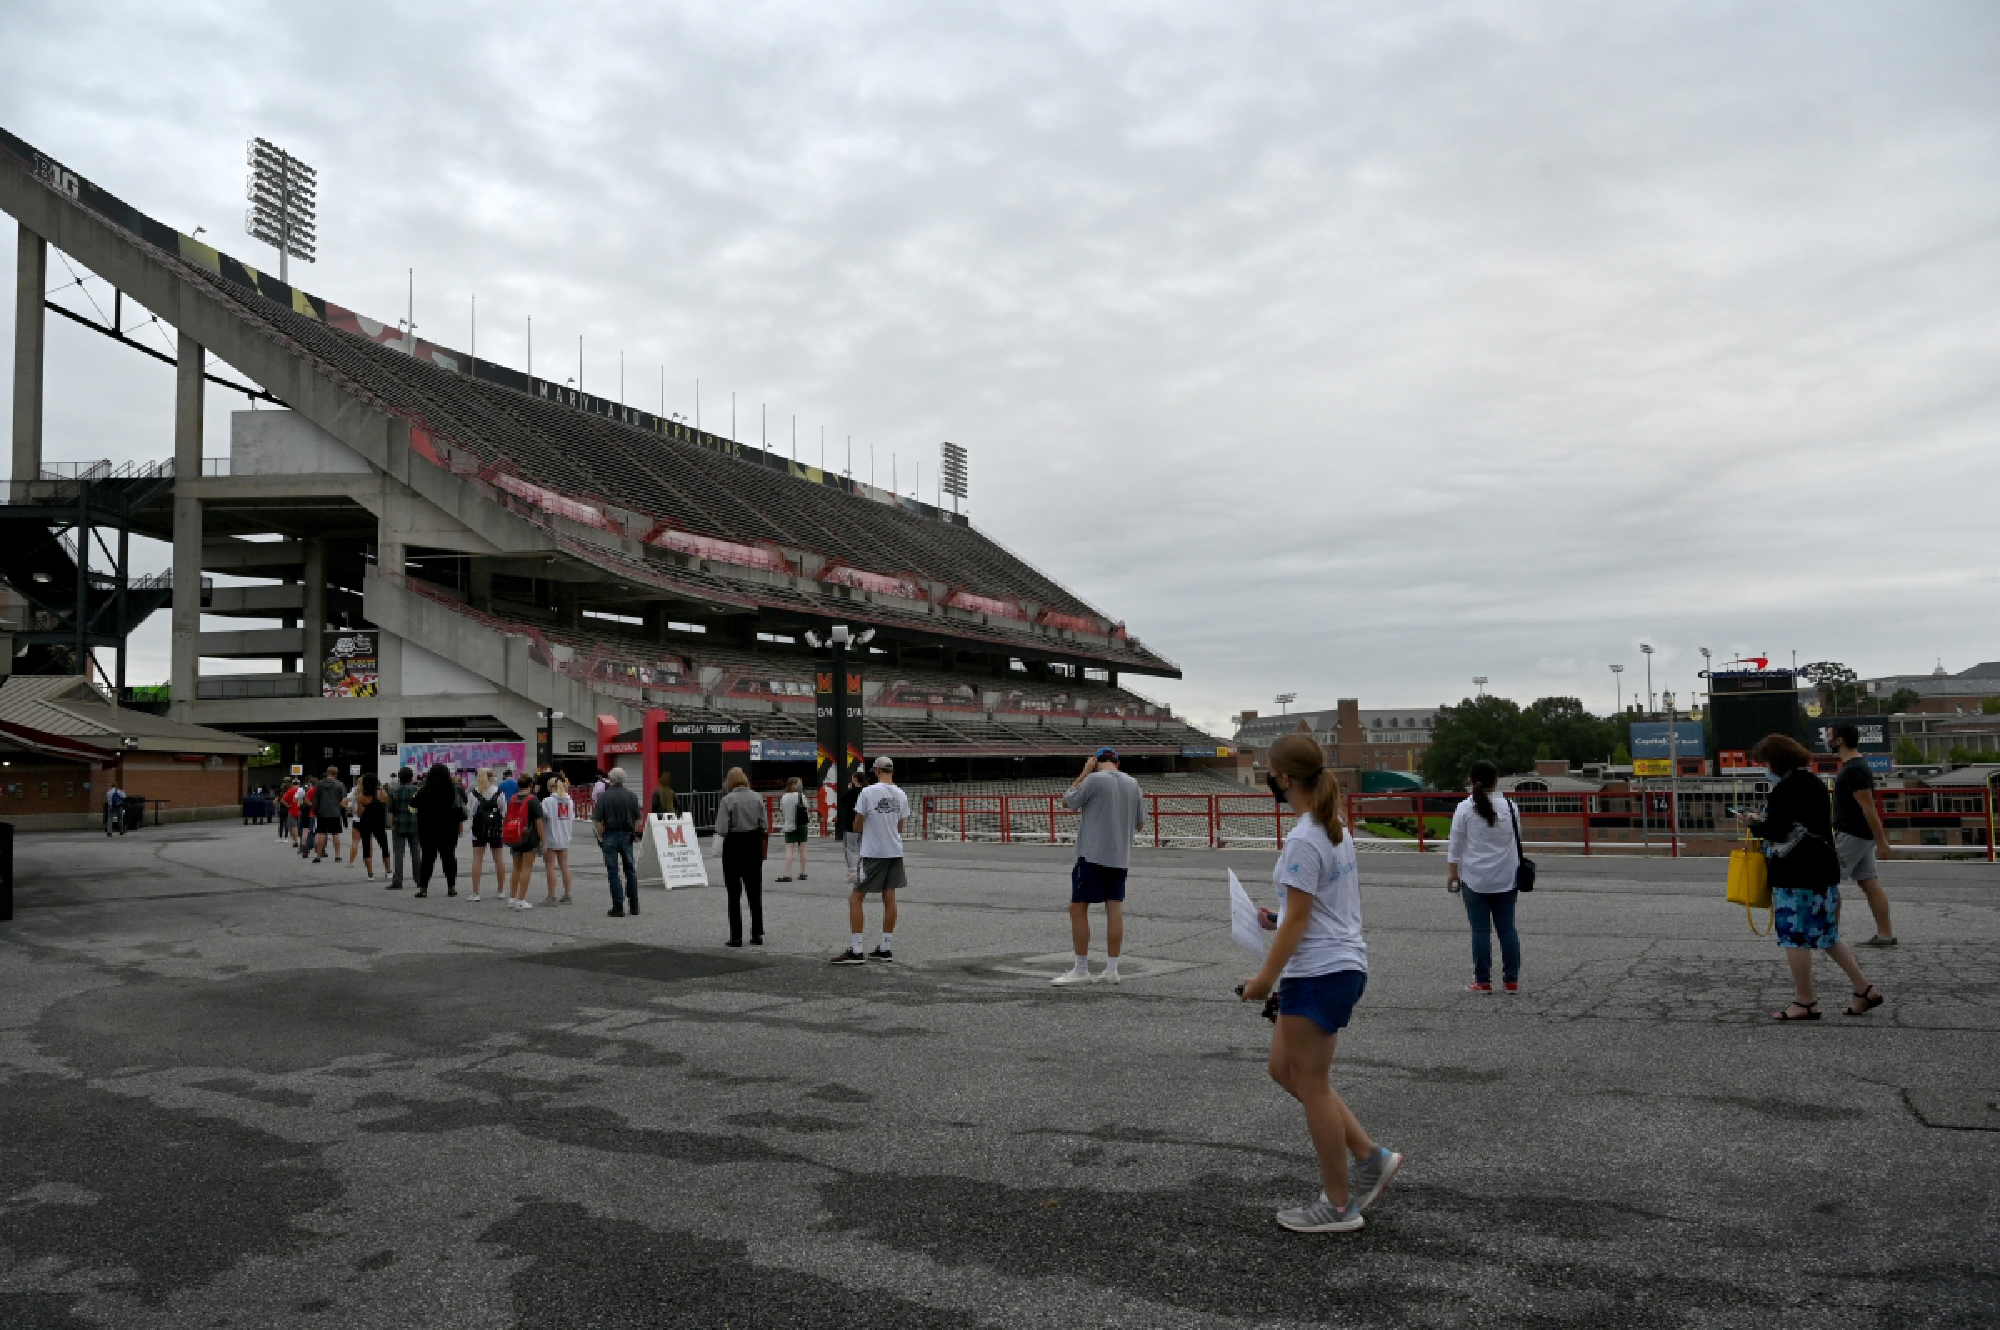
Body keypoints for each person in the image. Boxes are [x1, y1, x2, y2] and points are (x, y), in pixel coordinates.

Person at [1239, 732, 1402, 1234]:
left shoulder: (1304, 838)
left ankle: (1337, 1206)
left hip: (1321, 968)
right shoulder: (1331, 829)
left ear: (1285, 778)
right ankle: (1370, 1157)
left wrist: (1264, 978)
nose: (1270, 777)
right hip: (1333, 963)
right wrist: (1273, 915)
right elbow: (1303, 910)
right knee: (1283, 1069)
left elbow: (1301, 921)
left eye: (1271, 770)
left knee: (1312, 1084)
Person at [1739, 734, 1884, 1021]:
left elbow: (1778, 830)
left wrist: (1753, 824)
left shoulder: (1785, 789)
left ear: (1776, 762)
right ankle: (1863, 988)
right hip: (1822, 867)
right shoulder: (1814, 783)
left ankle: (1805, 1001)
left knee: (1794, 937)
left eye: (1765, 763)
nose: (1763, 768)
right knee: (1827, 933)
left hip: (1796, 871)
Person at [1053, 747, 1148, 986]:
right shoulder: (1133, 783)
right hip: (1120, 857)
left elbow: (1067, 801)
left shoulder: (1094, 779)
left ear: (1096, 762)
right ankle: (1112, 968)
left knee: (1077, 908)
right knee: (1114, 907)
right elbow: (1140, 824)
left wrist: (1084, 773)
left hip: (1093, 855)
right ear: (1118, 763)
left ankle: (1081, 967)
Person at [1445, 760, 1523, 993]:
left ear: (1471, 780)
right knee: (1507, 929)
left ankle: (1482, 980)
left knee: (1480, 931)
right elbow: (1517, 838)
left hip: (1475, 877)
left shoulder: (1465, 808)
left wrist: (1452, 874)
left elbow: (1456, 844)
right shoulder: (1510, 806)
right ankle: (1511, 980)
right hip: (1506, 877)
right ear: (1496, 780)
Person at [831, 757, 909, 964]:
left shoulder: (868, 792)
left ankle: (856, 949)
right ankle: (886, 946)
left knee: (856, 897)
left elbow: (857, 825)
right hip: (894, 850)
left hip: (873, 851)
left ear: (876, 771)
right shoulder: (901, 794)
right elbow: (900, 827)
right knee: (889, 897)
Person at [1830, 724, 1896, 946]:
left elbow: (1868, 807)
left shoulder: (1854, 769)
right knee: (1869, 882)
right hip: (1861, 835)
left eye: (1829, 736)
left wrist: (1882, 842)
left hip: (1852, 834)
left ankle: (1830, 936)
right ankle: (1885, 935)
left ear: (1839, 740)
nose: (1826, 740)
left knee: (1826, 879)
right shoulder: (1854, 766)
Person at [716, 767, 769, 946]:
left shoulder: (727, 800)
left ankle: (736, 936)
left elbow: (721, 829)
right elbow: (764, 824)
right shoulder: (757, 797)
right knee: (754, 890)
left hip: (733, 846)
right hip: (753, 844)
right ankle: (757, 934)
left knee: (733, 892)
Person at [592, 767, 642, 917]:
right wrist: (633, 831)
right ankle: (634, 905)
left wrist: (602, 835)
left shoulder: (604, 797)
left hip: (610, 835)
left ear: (611, 779)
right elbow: (638, 819)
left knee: (613, 872)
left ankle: (618, 905)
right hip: (627, 835)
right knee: (630, 870)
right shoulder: (632, 796)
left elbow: (598, 821)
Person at [412, 763, 466, 898]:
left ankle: (423, 889)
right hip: (449, 829)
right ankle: (451, 887)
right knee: (448, 857)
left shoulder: (423, 790)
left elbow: (412, 807)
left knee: (427, 858)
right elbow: (462, 810)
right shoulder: (454, 790)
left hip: (427, 830)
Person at [505, 773, 547, 910]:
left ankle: (511, 897)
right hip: (530, 837)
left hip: (515, 835)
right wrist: (543, 841)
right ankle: (521, 899)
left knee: (516, 868)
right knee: (526, 868)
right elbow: (539, 823)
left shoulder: (513, 799)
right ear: (530, 785)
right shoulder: (533, 800)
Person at [466, 769, 505, 901]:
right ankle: (500, 891)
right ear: (491, 777)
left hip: (478, 830)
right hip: (496, 829)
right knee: (499, 858)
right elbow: (503, 810)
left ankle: (476, 893)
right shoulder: (499, 792)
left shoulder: (474, 793)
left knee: (477, 859)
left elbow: (470, 812)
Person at [541, 774, 576, 905]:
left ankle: (551, 896)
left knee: (550, 866)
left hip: (551, 836)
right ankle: (567, 894)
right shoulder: (569, 801)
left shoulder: (547, 801)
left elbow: (542, 816)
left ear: (551, 787)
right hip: (565, 836)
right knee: (564, 866)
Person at [385, 767, 420, 891]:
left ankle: (398, 880)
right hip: (415, 824)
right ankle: (419, 879)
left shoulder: (394, 791)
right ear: (411, 777)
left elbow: (390, 809)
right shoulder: (417, 790)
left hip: (399, 824)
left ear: (399, 777)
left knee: (398, 853)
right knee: (416, 853)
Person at [837, 764, 868, 885]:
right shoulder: (867, 791)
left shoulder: (853, 792)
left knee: (849, 849)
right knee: (863, 848)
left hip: (851, 823)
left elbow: (844, 803)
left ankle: (852, 872)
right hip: (864, 824)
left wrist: (850, 789)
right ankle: (863, 872)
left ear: (855, 779)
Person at [355, 772, 390, 879]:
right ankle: (388, 871)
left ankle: (370, 873)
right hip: (379, 822)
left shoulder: (361, 797)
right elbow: (386, 805)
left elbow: (359, 813)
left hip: (365, 822)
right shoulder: (382, 795)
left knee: (366, 846)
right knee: (384, 846)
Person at [777, 776, 812, 882]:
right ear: (793, 784)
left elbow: (782, 811)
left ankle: (787, 874)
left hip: (789, 825)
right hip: (801, 825)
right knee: (803, 850)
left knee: (789, 850)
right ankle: (803, 872)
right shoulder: (801, 796)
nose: (800, 785)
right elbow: (806, 809)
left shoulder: (784, 797)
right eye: (799, 783)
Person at [311, 766, 348, 863]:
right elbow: (343, 799)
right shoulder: (340, 785)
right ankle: (338, 856)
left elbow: (315, 799)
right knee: (336, 834)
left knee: (321, 834)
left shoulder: (320, 784)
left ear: (327, 773)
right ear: (336, 774)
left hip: (322, 813)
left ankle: (318, 856)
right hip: (335, 813)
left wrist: (315, 811)